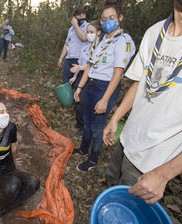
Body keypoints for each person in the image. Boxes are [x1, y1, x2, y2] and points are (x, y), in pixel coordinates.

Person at [103, 0, 182, 204]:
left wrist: (164, 173)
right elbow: (140, 82)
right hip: (127, 140)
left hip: (153, 162)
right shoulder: (155, 31)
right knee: (112, 186)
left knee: (128, 207)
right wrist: (116, 117)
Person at [72, 0, 135, 172]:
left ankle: (92, 160)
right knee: (86, 121)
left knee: (97, 127)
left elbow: (118, 73)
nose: (107, 21)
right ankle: (84, 149)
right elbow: (90, 65)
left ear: (120, 18)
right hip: (90, 84)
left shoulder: (123, 41)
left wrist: (105, 99)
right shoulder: (100, 39)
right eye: (104, 18)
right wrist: (79, 88)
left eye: (112, 17)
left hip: (105, 87)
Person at [57, 6, 89, 135]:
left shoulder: (88, 27)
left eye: (81, 16)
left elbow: (84, 38)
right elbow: (67, 44)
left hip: (81, 62)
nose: (78, 19)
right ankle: (74, 113)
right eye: (76, 17)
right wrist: (61, 58)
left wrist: (76, 25)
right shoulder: (71, 29)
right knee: (67, 85)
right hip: (69, 60)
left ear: (84, 16)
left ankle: (82, 125)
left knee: (78, 90)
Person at [69, 21, 103, 136]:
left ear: (99, 32)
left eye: (92, 32)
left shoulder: (101, 48)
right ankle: (79, 124)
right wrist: (75, 76)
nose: (89, 34)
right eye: (87, 32)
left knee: (83, 103)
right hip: (80, 77)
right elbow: (80, 64)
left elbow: (92, 66)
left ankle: (84, 127)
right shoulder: (84, 47)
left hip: (91, 79)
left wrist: (80, 67)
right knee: (77, 101)